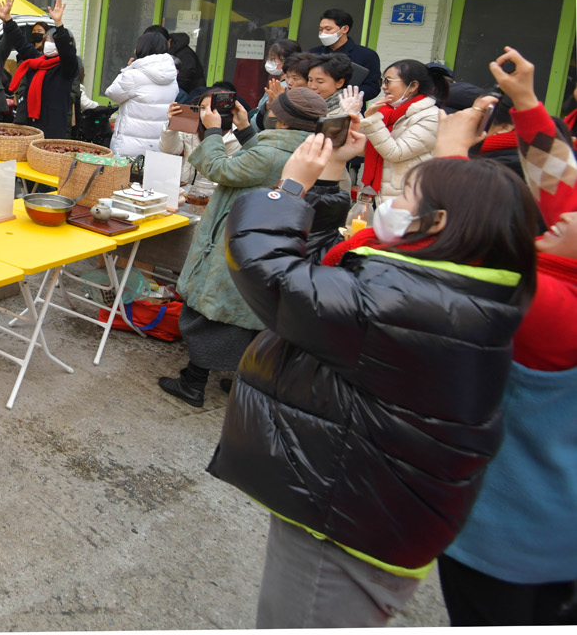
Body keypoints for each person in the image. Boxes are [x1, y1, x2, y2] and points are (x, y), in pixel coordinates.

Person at [215, 131, 536, 627]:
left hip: (348, 516)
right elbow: (323, 268)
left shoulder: (405, 304)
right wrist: (327, 180)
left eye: (405, 195)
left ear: (438, 221)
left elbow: (274, 274)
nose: (391, 204)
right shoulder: (463, 290)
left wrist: (287, 191)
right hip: (373, 502)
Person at [431, 48, 577, 624]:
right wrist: (527, 104)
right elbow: (562, 189)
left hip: (509, 544)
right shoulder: (562, 276)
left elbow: (462, 247)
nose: (563, 208)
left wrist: (449, 153)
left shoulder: (551, 307)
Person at [159, 86, 331, 408]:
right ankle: (245, 382)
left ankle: (193, 383)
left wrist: (212, 131)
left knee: (212, 310)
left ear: (281, 120)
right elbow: (262, 162)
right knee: (246, 309)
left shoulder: (271, 153)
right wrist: (245, 128)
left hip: (236, 232)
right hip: (264, 238)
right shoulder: (303, 150)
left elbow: (220, 169)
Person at [357, 59, 445, 201]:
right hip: (377, 195)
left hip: (407, 198)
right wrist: (355, 114)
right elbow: (365, 150)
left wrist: (373, 120)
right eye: (382, 81)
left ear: (413, 86)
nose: (383, 87)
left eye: (388, 81)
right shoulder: (387, 111)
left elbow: (395, 153)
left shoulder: (432, 116)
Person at [10, 0, 78, 139]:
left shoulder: (66, 67)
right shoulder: (38, 61)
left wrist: (59, 24)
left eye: (53, 41)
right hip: (30, 123)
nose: (48, 43)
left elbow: (67, 52)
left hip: (53, 126)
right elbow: (21, 44)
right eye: (46, 40)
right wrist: (8, 19)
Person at [104, 31, 179, 159]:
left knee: (126, 171)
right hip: (159, 144)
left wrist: (127, 69)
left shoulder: (133, 75)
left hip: (130, 145)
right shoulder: (171, 77)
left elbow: (112, 93)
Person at [317, 8, 381, 102]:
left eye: (328, 29)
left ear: (345, 29)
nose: (323, 33)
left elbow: (373, 87)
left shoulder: (367, 55)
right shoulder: (314, 53)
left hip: (350, 106)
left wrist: (346, 95)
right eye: (321, 29)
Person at [167, 30, 205, 98]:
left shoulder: (185, 54)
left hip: (192, 95)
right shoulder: (176, 51)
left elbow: (184, 79)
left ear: (169, 41)